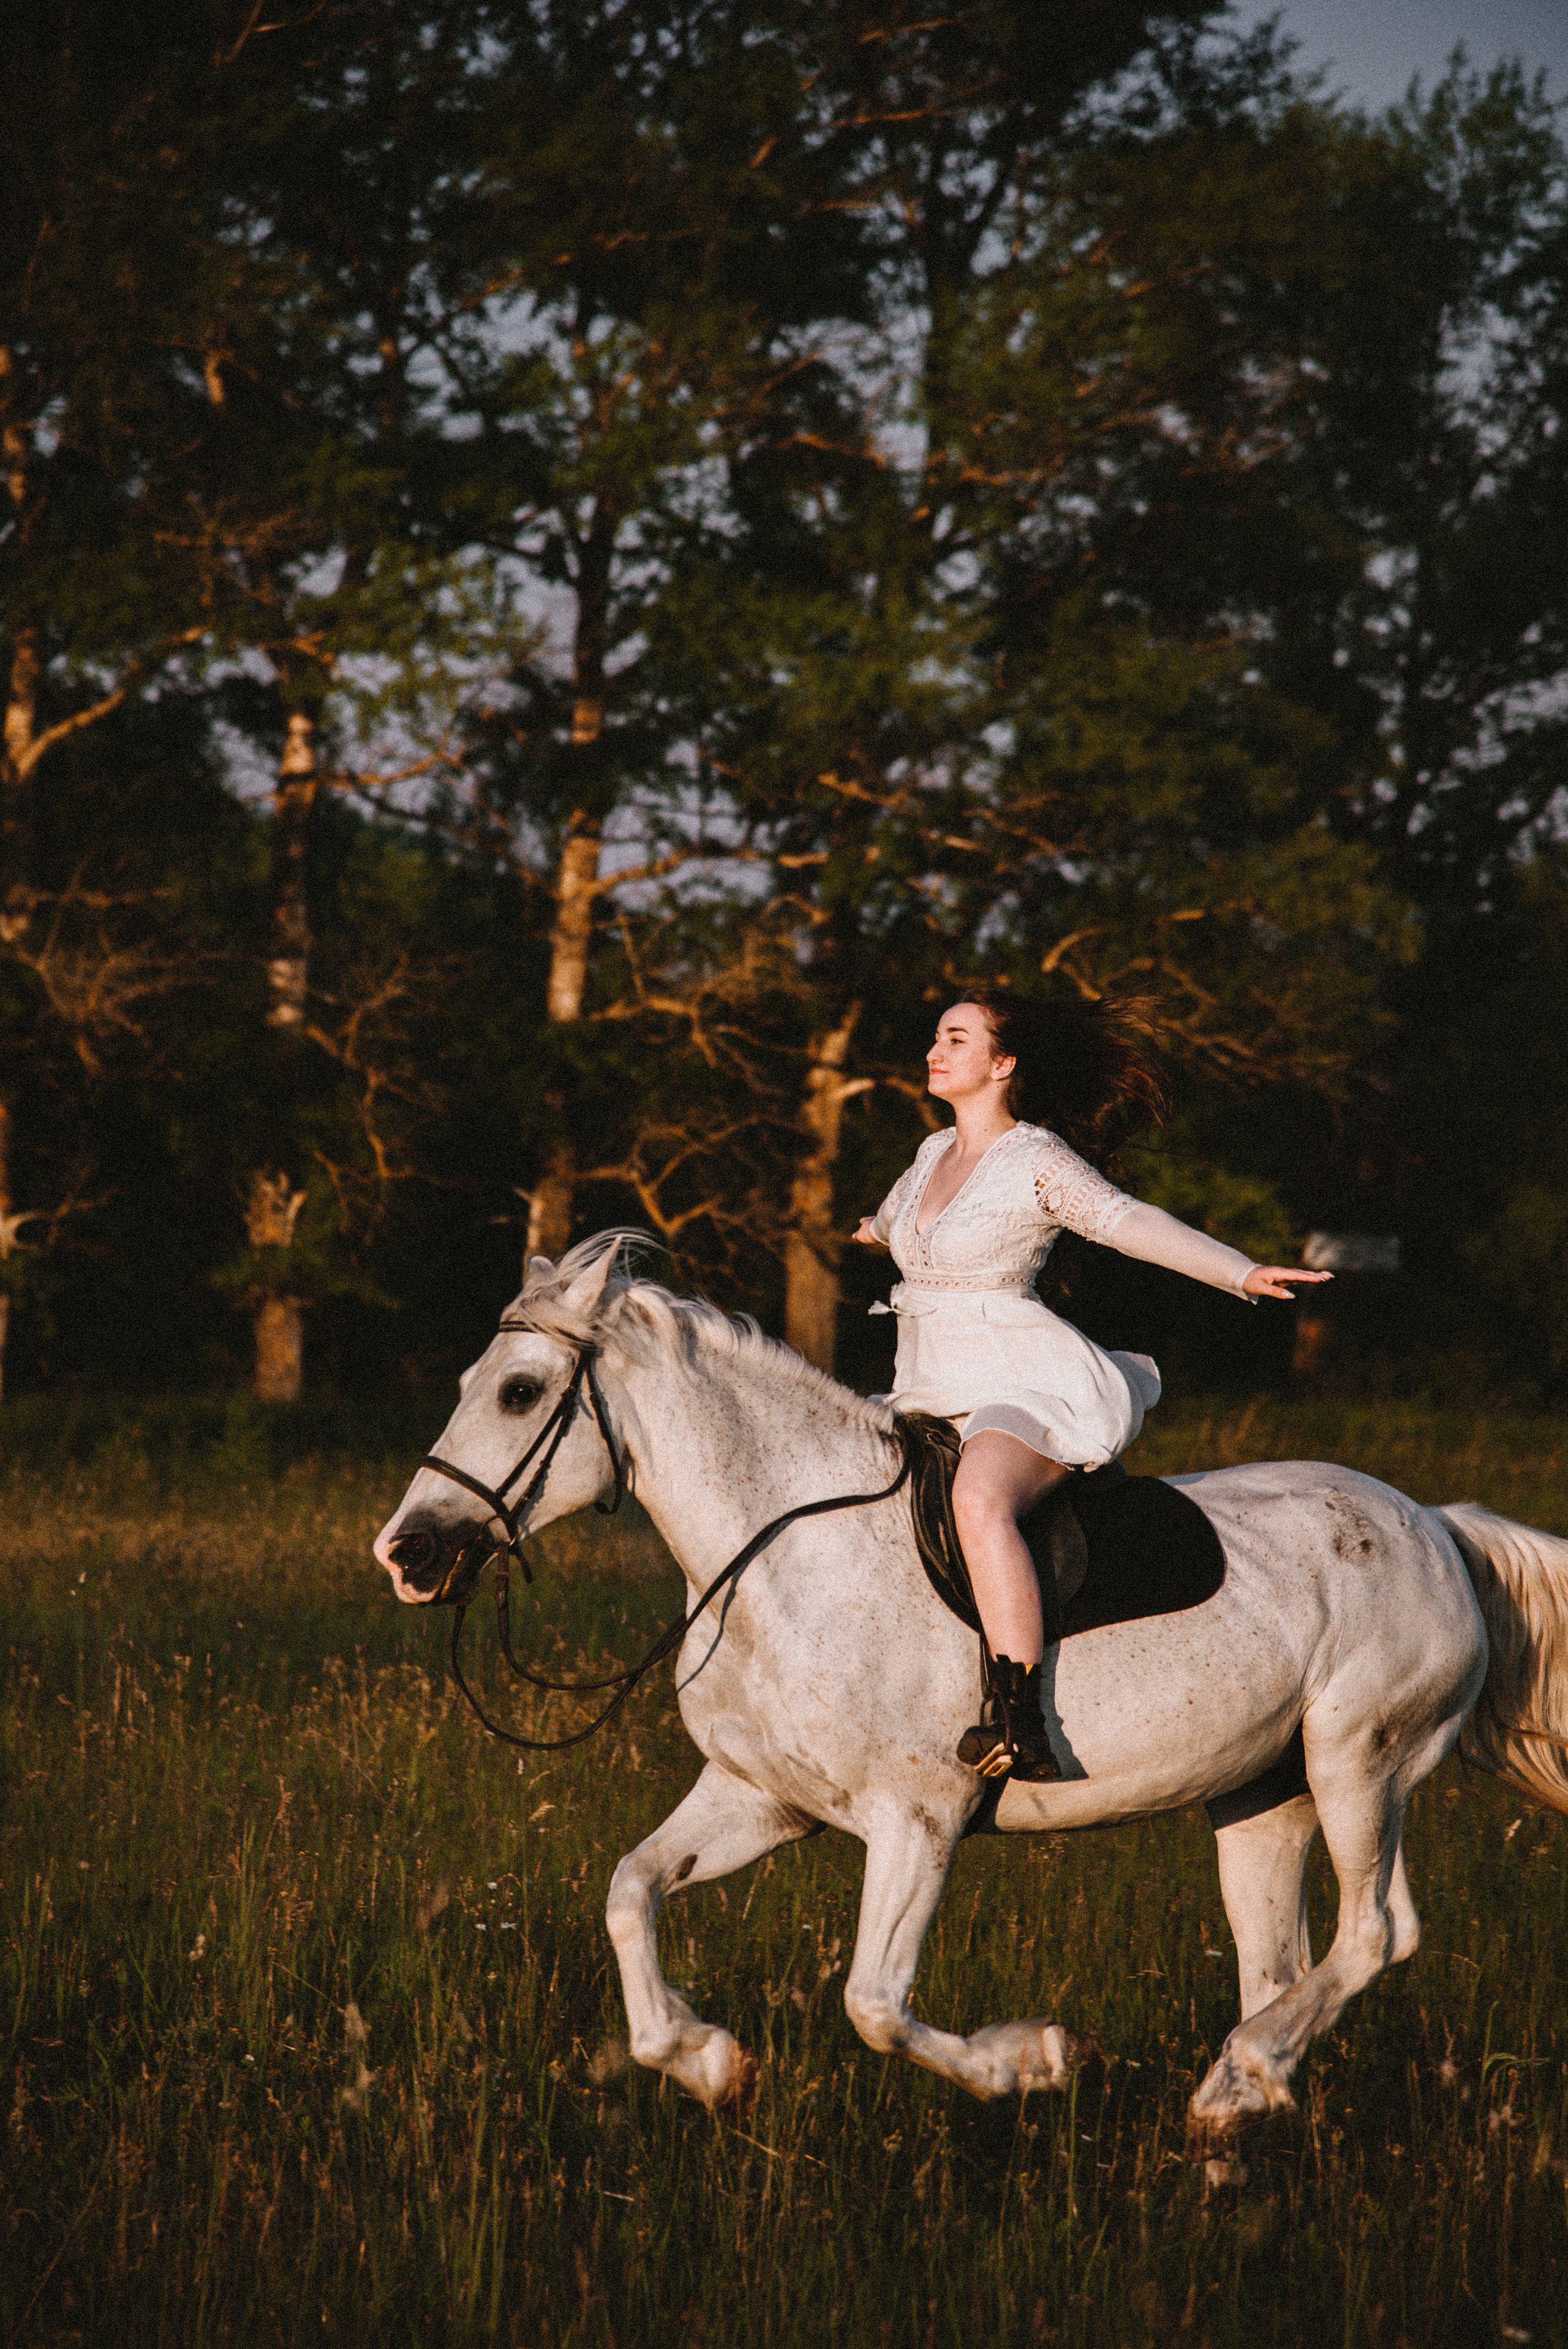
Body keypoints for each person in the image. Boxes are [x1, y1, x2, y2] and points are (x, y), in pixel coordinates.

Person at [853, 986, 1329, 1783]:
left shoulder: (1034, 1158)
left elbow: (1129, 1221)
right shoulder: (932, 1153)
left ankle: (1019, 1718)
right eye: (937, 1036)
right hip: (926, 1379)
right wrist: (873, 1230)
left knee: (979, 1499)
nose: (935, 1051)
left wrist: (1239, 1270)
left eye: (957, 1039)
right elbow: (901, 1222)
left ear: (1003, 1064)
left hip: (1019, 1381)